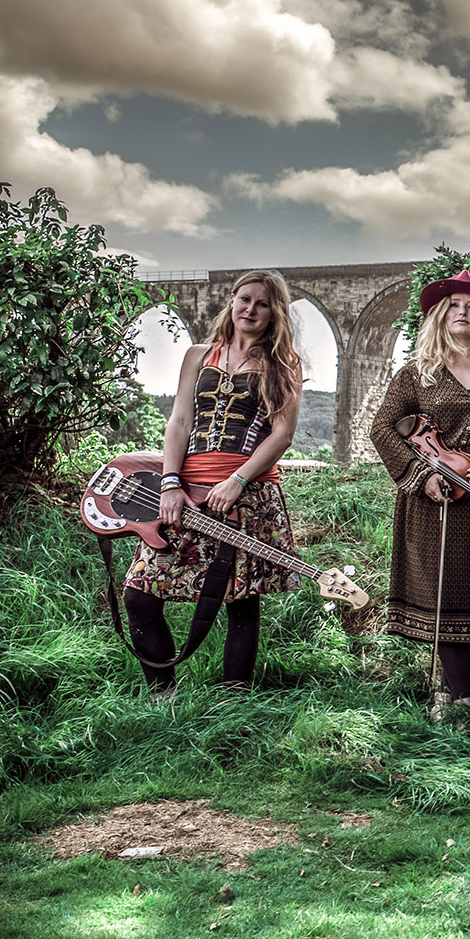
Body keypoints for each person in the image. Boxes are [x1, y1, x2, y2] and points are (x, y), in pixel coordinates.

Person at [123, 269, 304, 697]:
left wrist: (238, 480)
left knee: (240, 600)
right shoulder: (198, 354)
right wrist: (170, 482)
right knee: (139, 595)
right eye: (244, 299)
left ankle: (233, 701)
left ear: (274, 312)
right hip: (185, 490)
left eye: (262, 303)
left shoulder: (283, 363)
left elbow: (282, 434)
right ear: (231, 300)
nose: (250, 309)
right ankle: (161, 696)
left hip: (249, 491)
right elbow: (180, 420)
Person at [369, 271, 470, 720]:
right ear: (441, 316)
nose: (464, 312)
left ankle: (450, 688)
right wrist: (421, 474)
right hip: (433, 498)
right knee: (443, 592)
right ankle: (460, 696)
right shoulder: (415, 374)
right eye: (455, 306)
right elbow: (382, 429)